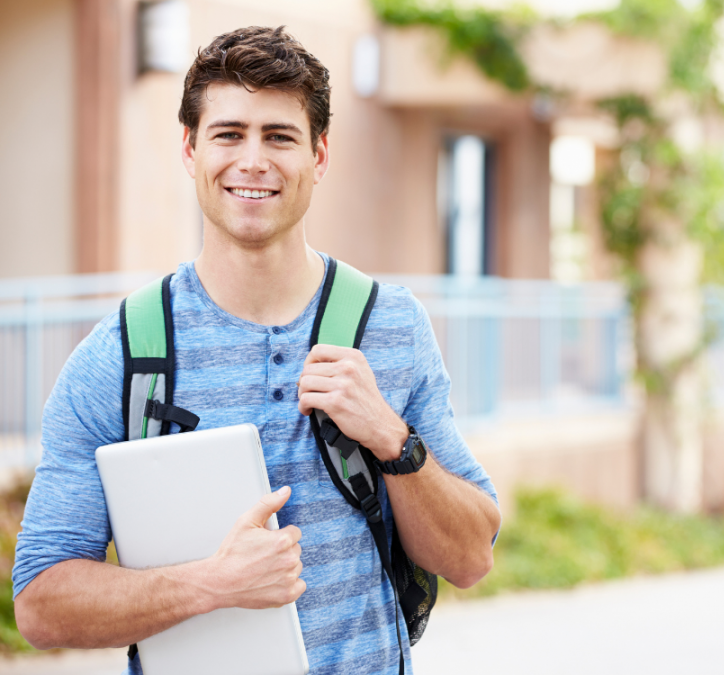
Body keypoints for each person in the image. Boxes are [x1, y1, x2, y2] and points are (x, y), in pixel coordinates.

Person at [12, 26, 501, 675]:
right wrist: (211, 583)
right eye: (228, 134)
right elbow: (42, 604)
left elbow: (470, 557)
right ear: (190, 149)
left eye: (279, 136)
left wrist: (392, 438)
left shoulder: (391, 325)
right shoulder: (123, 354)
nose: (253, 160)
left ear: (319, 155)